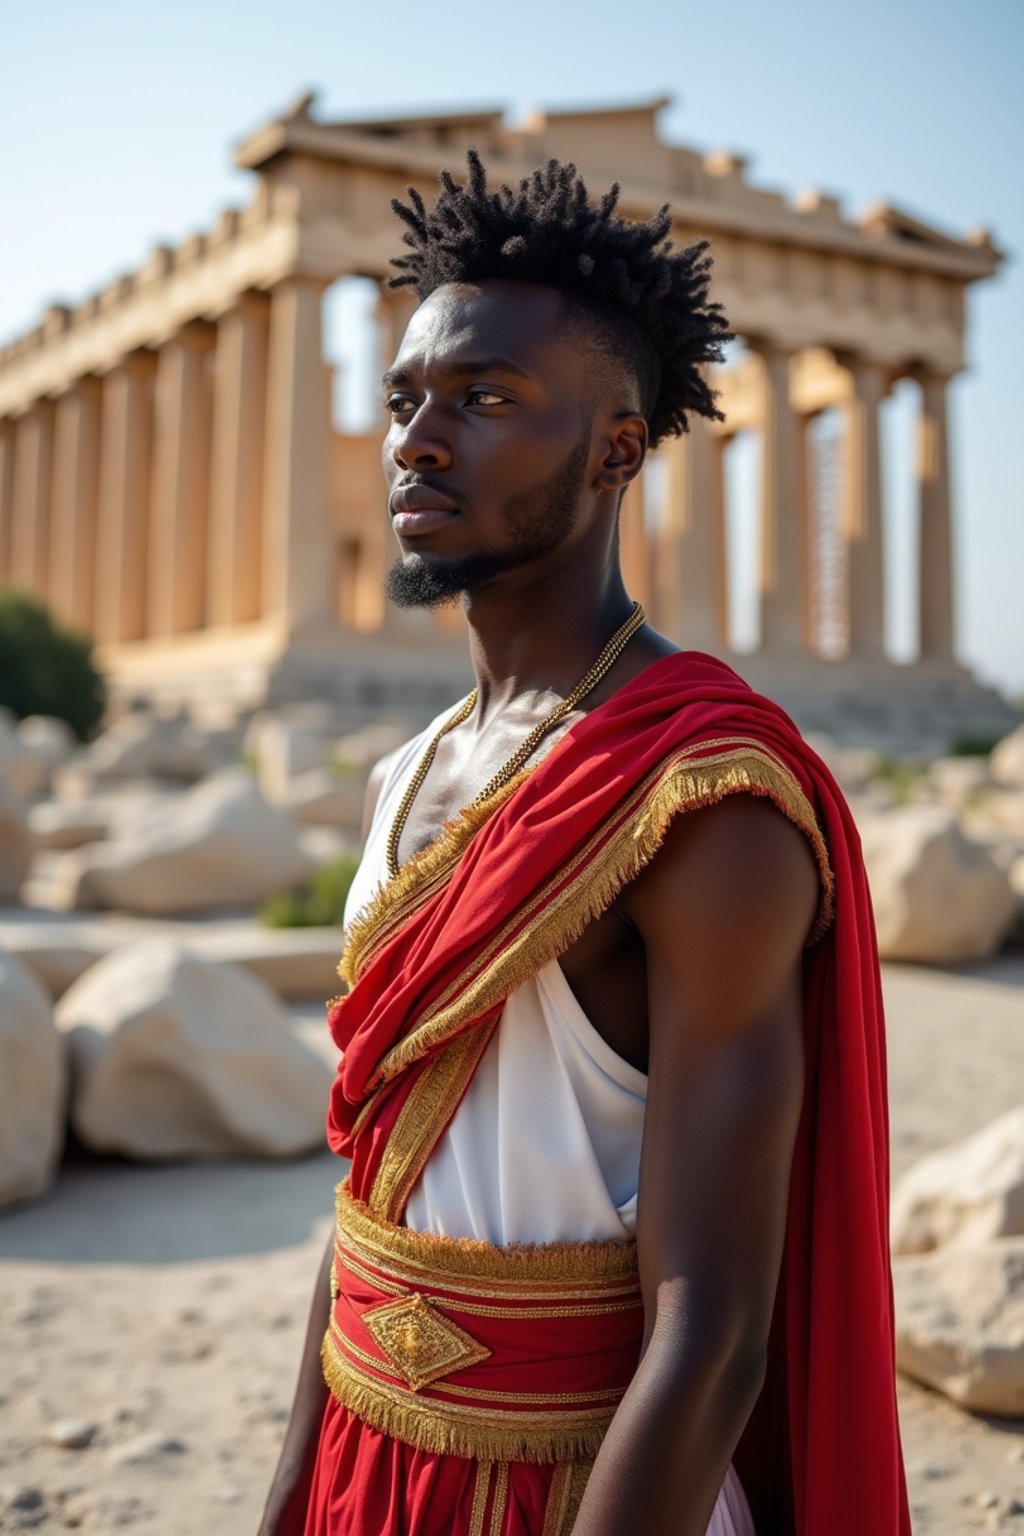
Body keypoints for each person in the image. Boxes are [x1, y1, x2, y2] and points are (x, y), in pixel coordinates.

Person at [259, 153, 911, 1536]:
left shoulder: (704, 805)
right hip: (368, 1468)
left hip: (583, 1493)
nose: (417, 441)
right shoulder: (409, 770)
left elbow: (715, 1327)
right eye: (405, 400)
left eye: (486, 400)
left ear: (619, 449)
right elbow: (368, 1192)